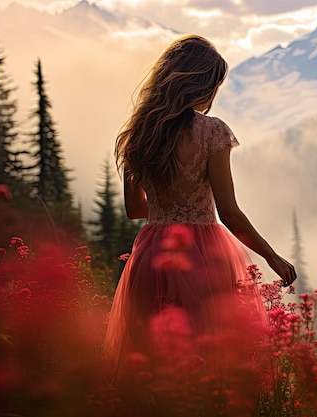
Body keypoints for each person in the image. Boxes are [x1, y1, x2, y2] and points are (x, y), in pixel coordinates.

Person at [103, 34, 296, 377]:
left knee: (151, 361)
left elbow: (135, 209)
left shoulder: (139, 133)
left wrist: (170, 210)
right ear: (200, 84)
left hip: (151, 256)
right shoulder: (212, 132)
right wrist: (272, 257)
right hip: (201, 256)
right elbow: (230, 213)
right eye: (214, 84)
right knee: (208, 360)